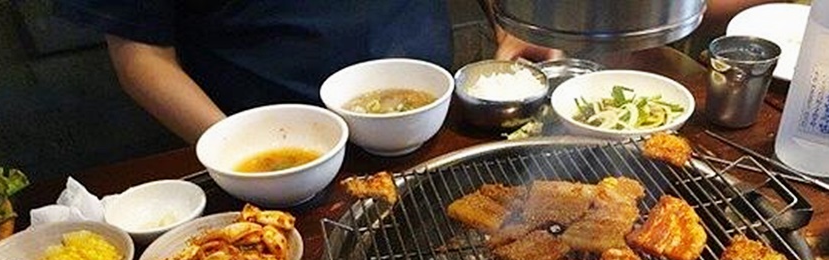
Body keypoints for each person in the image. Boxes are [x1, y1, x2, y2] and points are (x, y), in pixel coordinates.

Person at [55, 1, 559, 144]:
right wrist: (239, 153)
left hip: (434, 124)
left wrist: (514, 21)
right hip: (279, 151)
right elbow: (141, 55)